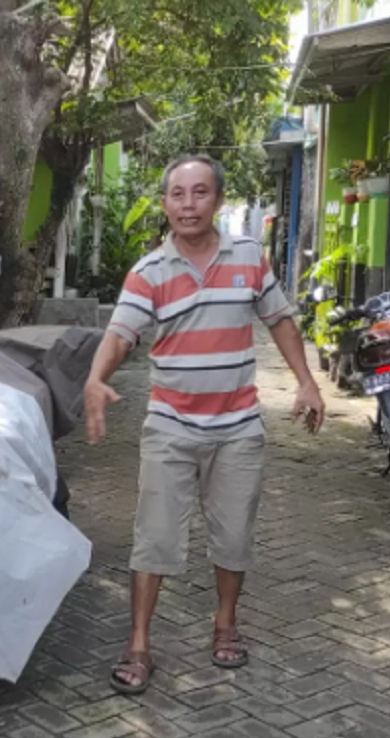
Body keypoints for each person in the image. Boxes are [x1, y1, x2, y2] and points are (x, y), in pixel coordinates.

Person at [83, 154, 324, 695]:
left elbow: (280, 320)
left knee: (234, 535)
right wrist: (98, 376)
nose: (187, 204)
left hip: (238, 427)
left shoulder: (249, 259)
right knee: (155, 538)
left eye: (199, 193)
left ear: (217, 199)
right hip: (170, 426)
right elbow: (121, 332)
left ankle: (225, 624)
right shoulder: (149, 272)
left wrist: (306, 381)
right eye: (177, 194)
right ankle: (139, 643)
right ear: (165, 203)